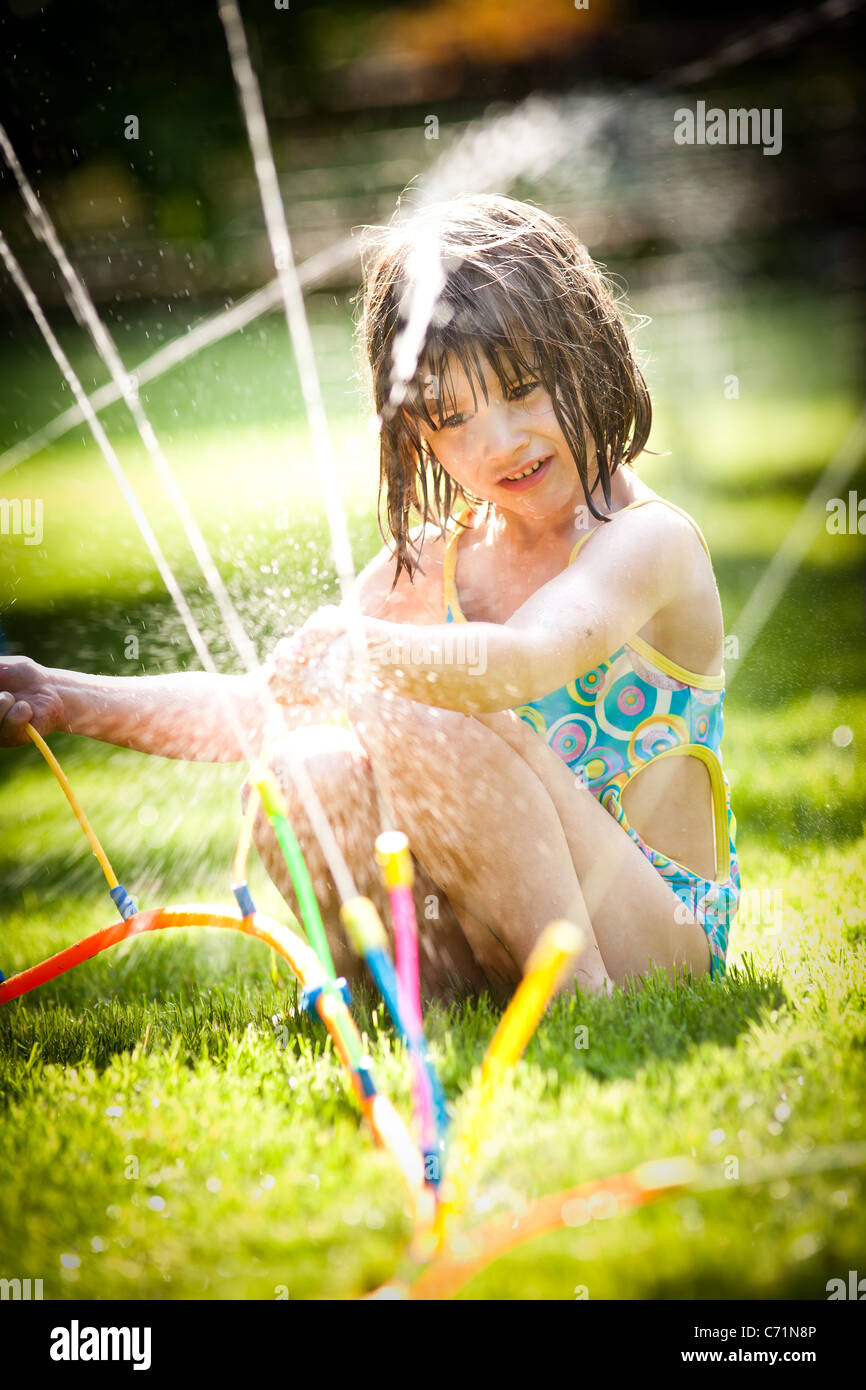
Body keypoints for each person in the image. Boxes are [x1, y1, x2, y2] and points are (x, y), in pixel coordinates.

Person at [0, 194, 740, 1004]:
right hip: (499, 938)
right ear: (417, 436)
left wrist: (366, 653)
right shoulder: (432, 565)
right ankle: (418, 1006)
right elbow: (263, 707)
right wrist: (62, 696)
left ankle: (579, 1002)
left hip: (656, 940)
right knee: (296, 770)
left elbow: (525, 661)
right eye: (454, 420)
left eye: (524, 389)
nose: (499, 442)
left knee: (414, 708)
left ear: (590, 356)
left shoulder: (645, 543)